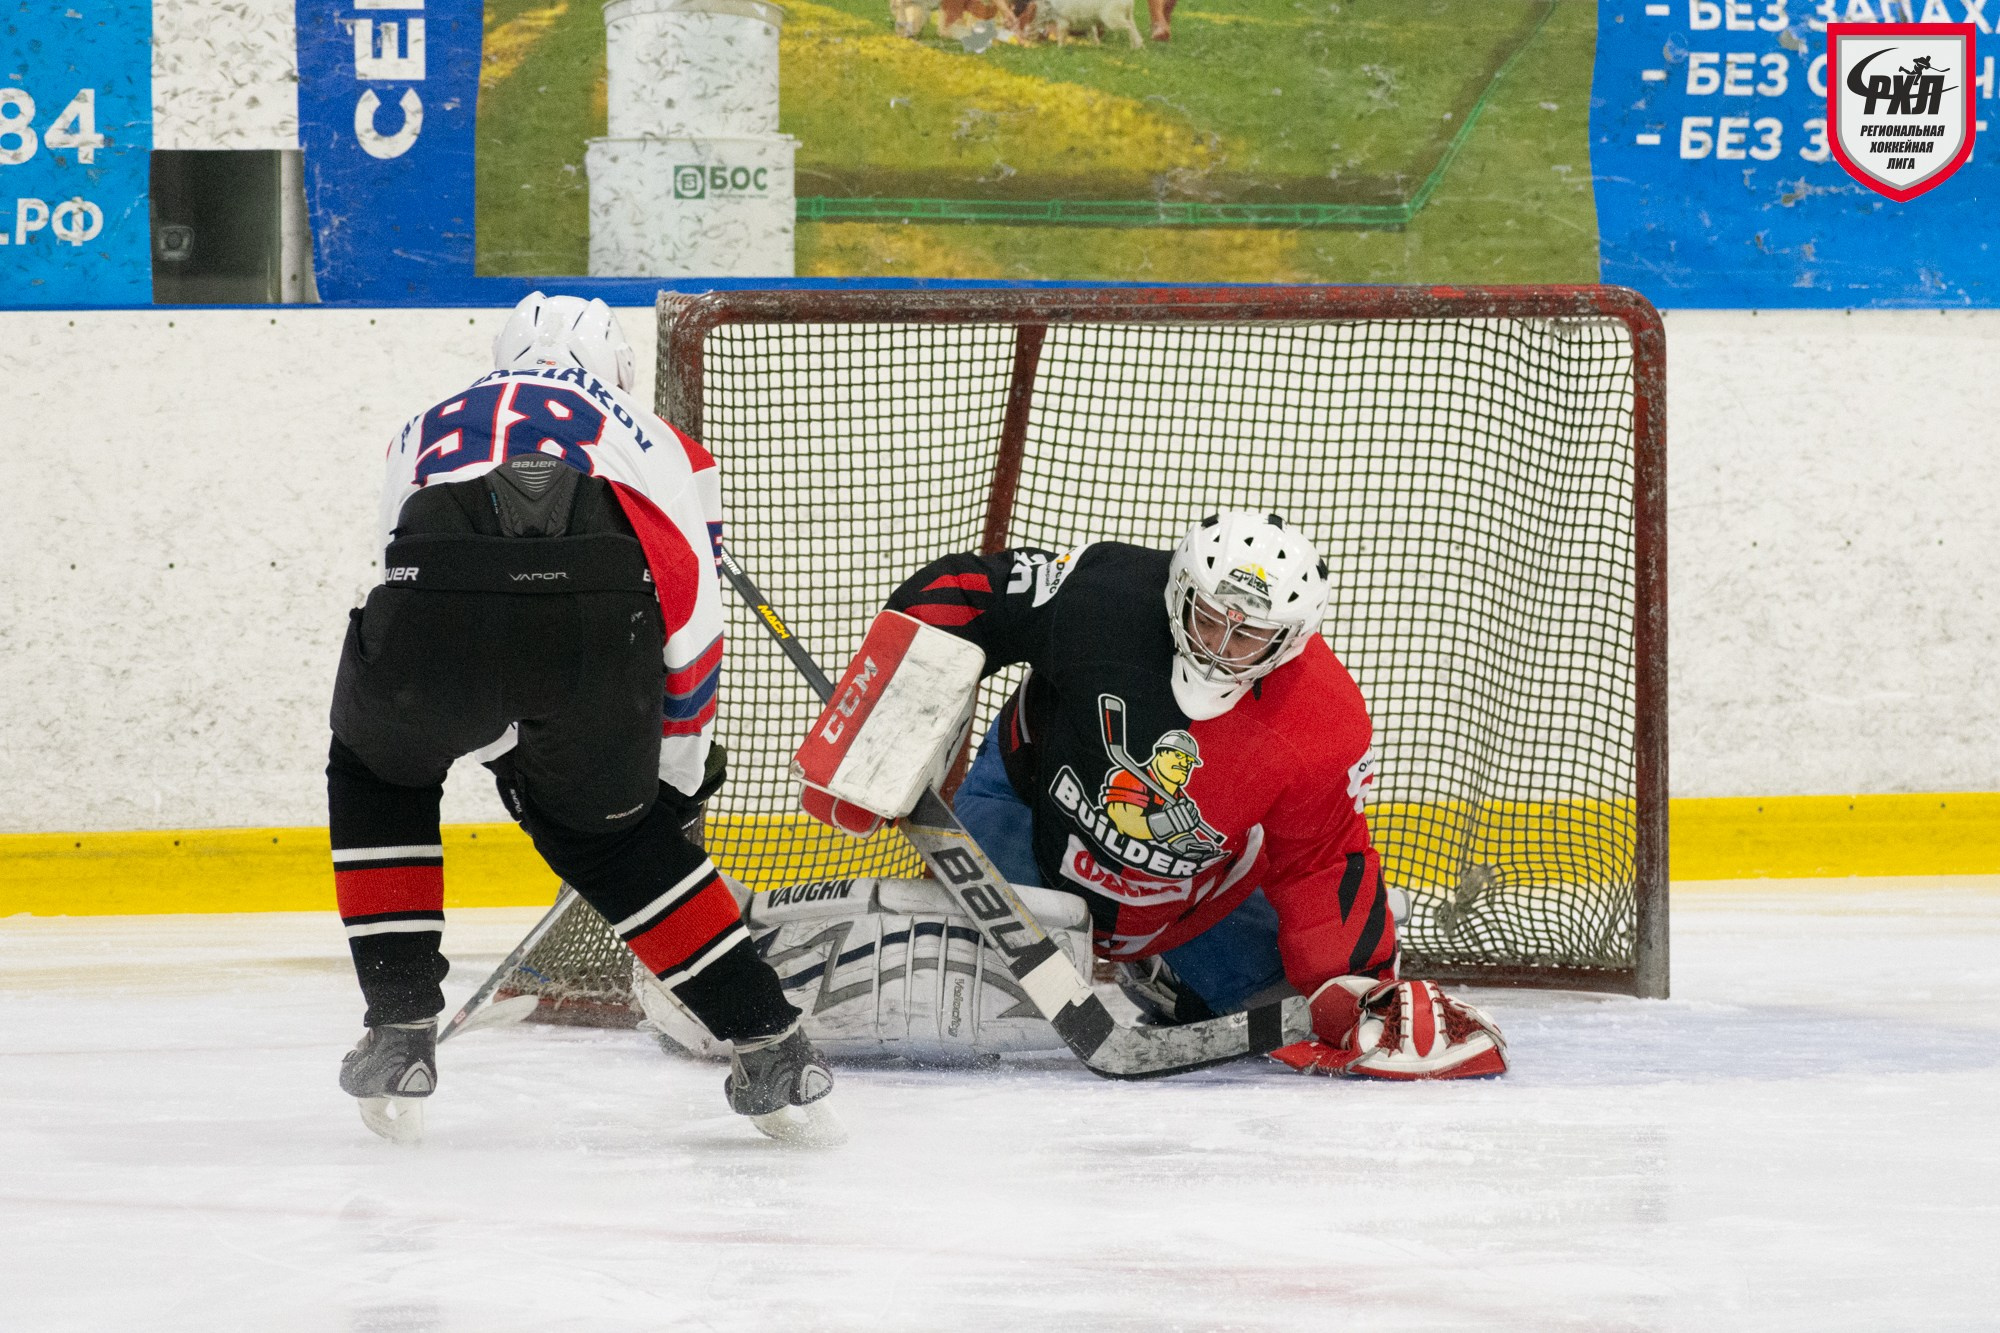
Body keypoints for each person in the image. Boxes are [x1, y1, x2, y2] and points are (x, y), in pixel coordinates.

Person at [327, 292, 837, 1142]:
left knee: (379, 773)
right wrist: (669, 776)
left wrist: (502, 737)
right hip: (602, 625)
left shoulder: (421, 423)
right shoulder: (664, 444)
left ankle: (400, 1025)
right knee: (613, 840)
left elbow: (403, 579)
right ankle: (771, 1043)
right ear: (619, 372)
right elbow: (691, 614)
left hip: (436, 616)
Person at [782, 511, 1504, 1079]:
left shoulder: (1320, 719)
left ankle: (1155, 967)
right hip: (1030, 811)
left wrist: (1358, 978)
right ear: (1180, 589)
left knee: (1293, 1006)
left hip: (1185, 890)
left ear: (1288, 641)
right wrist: (879, 715)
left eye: (1248, 635)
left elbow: (1319, 859)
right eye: (1209, 615)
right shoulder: (1106, 592)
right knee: (956, 999)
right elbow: (969, 592)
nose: (1220, 644)